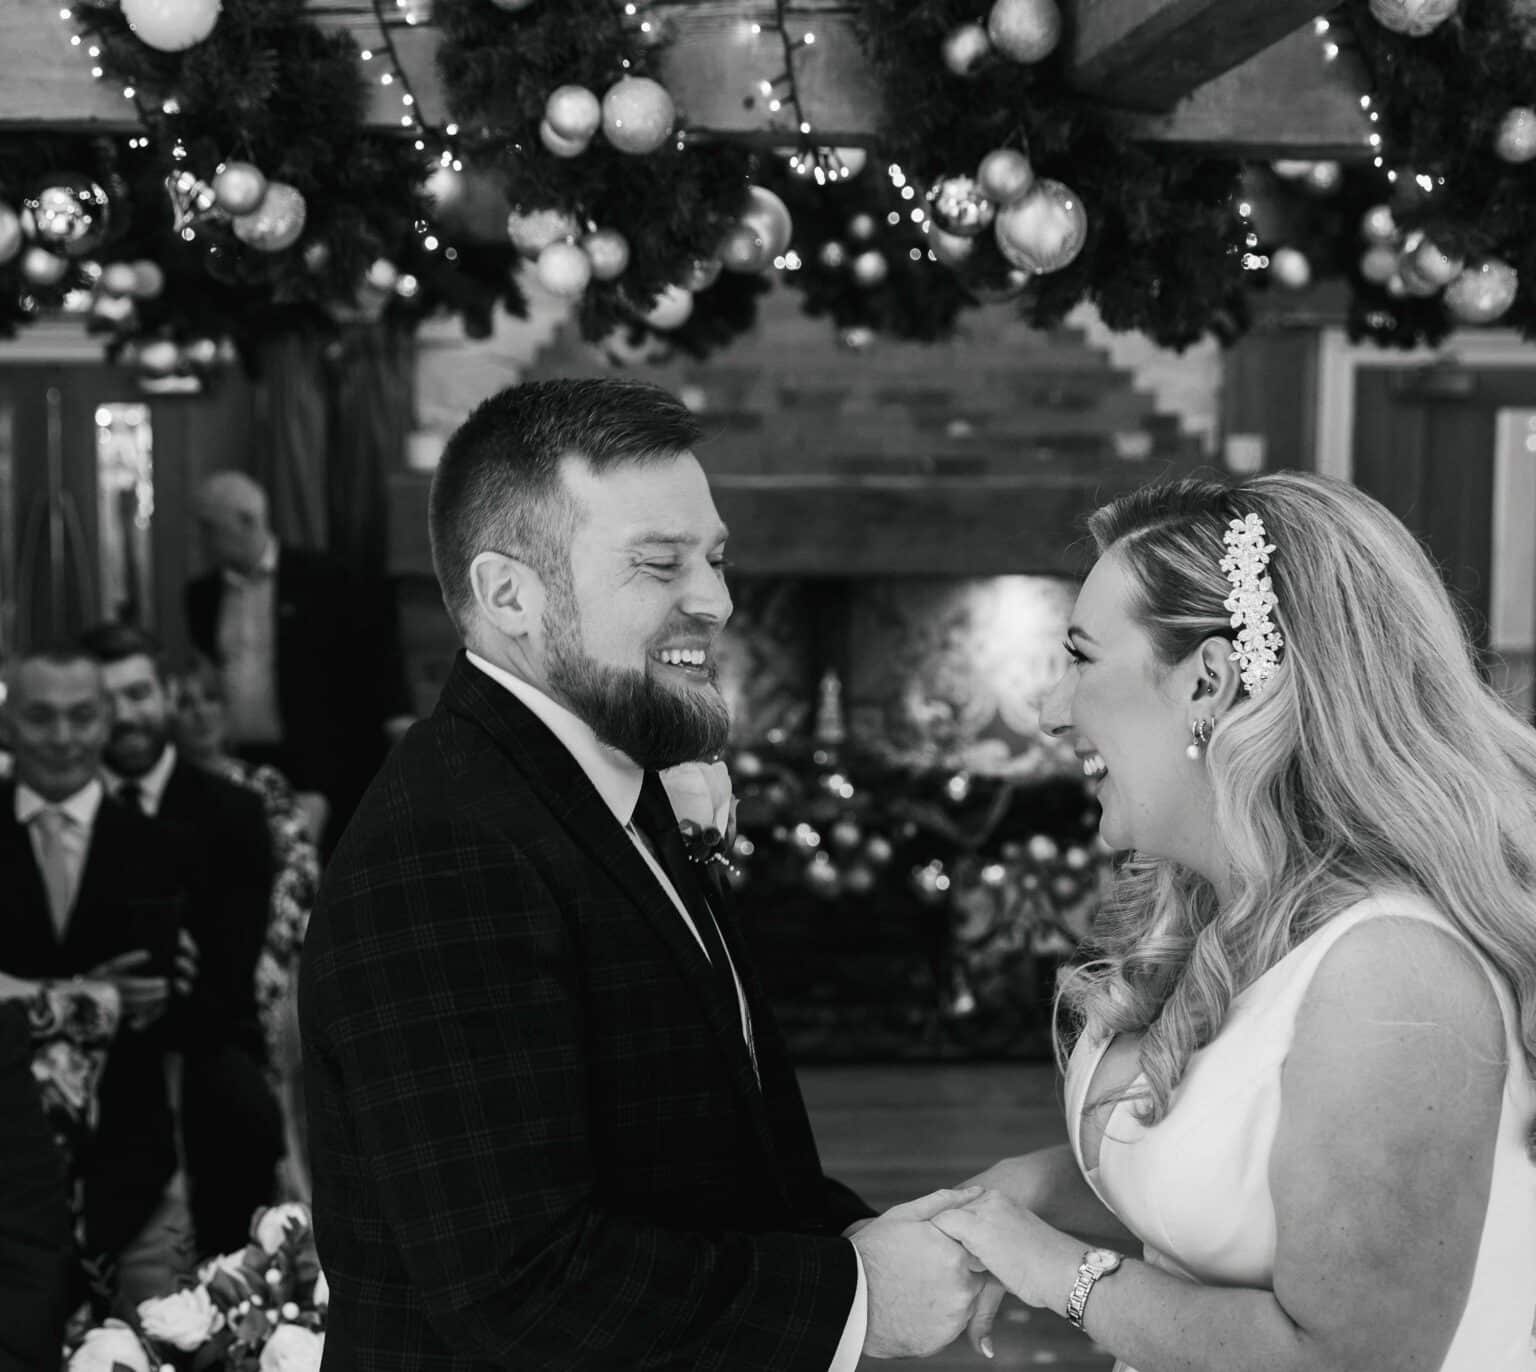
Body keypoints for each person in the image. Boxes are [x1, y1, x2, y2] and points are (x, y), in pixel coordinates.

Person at [299, 378, 983, 1369]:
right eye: (661, 564)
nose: (717, 600)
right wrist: (854, 1296)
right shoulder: (446, 846)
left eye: (715, 558)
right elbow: (521, 1285)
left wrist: (869, 1236)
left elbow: (684, 1155)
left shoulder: (607, 778)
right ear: (508, 595)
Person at [925, 472, 1536, 1372]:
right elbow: (1237, 1190)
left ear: (1208, 682)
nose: (1052, 713)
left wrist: (1056, 1270)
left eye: (1081, 659)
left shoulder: (1393, 975)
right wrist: (1034, 1188)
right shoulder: (1222, 906)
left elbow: (1343, 1361)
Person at [79, 622, 284, 1258]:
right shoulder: (66, 816)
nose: (125, 716)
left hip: (208, 1061)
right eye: (106, 700)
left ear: (167, 693)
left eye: (139, 694)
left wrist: (141, 991)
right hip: (90, 1068)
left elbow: (227, 978)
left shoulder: (233, 812)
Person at [0, 646, 190, 1305]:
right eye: (40, 717)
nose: (62, 738)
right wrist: (89, 994)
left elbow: (164, 1003)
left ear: (107, 722)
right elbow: (116, 997)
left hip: (131, 1168)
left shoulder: (159, 843)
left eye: (81, 717)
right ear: (6, 724)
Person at [184, 471, 414, 854]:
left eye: (209, 527)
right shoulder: (201, 596)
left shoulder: (326, 579)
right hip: (242, 760)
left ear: (248, 520)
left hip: (320, 763)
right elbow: (206, 675)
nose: (201, 539)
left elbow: (376, 656)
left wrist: (398, 720)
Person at [172, 660, 320, 1199]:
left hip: (276, 959)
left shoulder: (262, 784)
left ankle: (294, 1198)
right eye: (185, 702)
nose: (200, 713)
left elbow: (300, 874)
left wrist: (270, 958)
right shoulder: (160, 796)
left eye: (210, 698)